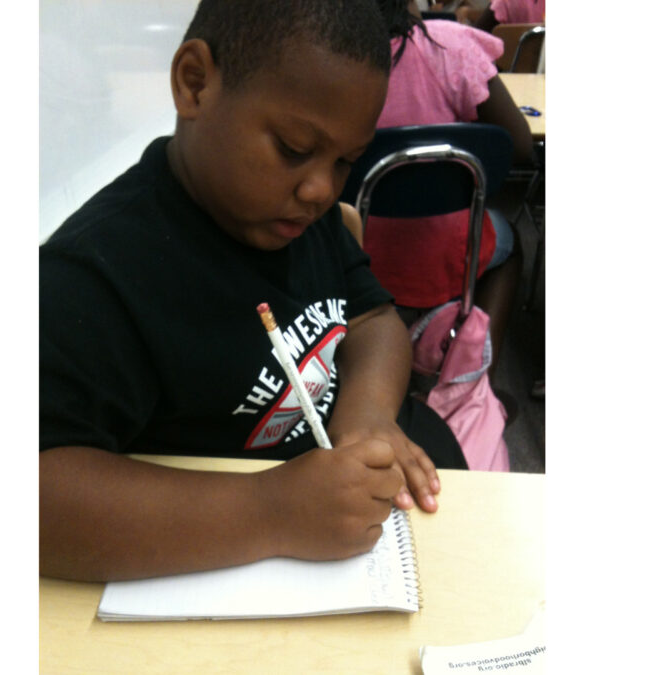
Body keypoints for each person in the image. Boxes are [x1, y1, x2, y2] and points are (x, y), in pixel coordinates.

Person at [39, 0, 466, 584]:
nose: (319, 189)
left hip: (363, 527)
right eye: (293, 148)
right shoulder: (94, 277)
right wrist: (272, 512)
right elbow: (43, 498)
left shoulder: (301, 219)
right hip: (225, 568)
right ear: (195, 84)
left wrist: (366, 417)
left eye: (345, 161)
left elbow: (374, 320)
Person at [362, 0, 534, 374]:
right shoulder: (450, 48)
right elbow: (519, 146)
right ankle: (470, 378)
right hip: (451, 253)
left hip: (358, 252)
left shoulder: (337, 56)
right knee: (511, 244)